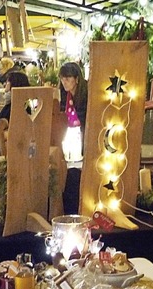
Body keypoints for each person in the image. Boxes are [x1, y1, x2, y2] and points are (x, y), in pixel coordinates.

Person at [59, 61, 88, 214]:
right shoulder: (64, 95)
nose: (64, 82)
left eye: (68, 79)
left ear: (77, 79)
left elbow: (85, 119)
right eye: (62, 79)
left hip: (83, 141)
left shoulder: (86, 96)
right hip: (70, 142)